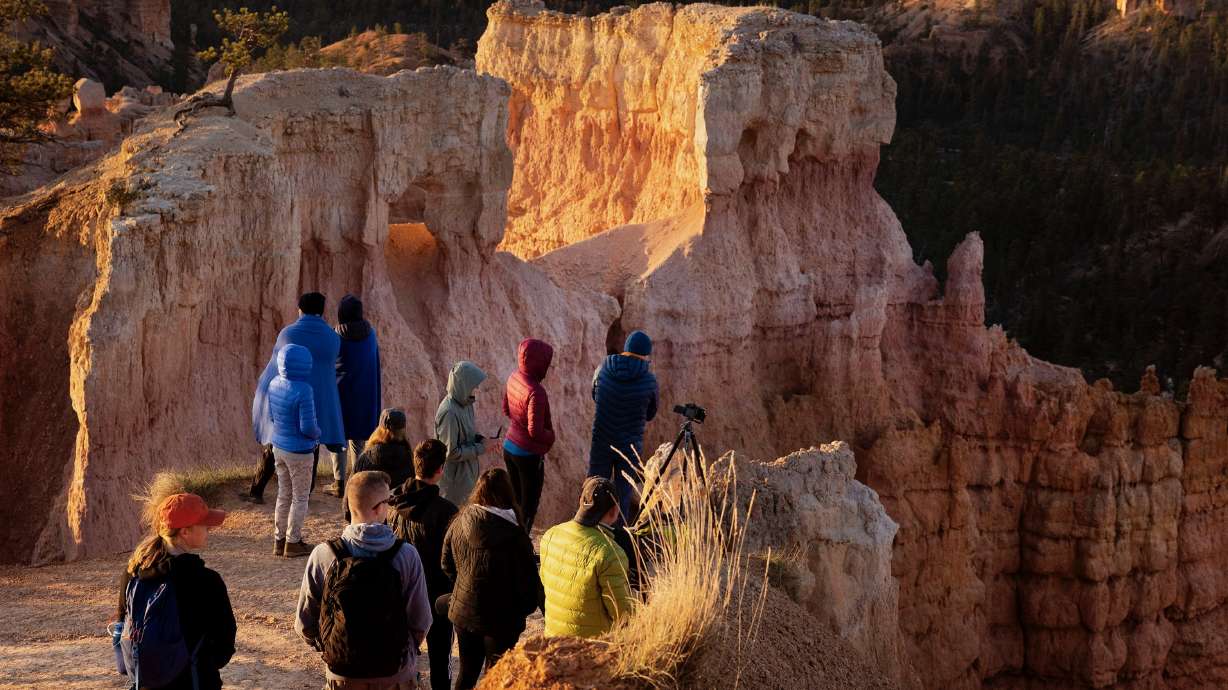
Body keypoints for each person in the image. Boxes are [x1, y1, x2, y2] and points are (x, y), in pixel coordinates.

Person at [295, 471, 433, 690]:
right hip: (395, 674)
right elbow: (421, 621)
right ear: (378, 508)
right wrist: (403, 652)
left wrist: (332, 648)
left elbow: (304, 623)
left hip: (342, 676)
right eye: (388, 501)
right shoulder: (406, 555)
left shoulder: (324, 554)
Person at [116, 493, 236, 690]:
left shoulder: (133, 571)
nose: (209, 528)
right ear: (185, 532)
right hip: (196, 681)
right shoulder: (207, 581)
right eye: (204, 524)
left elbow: (122, 625)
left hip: (145, 682)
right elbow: (224, 646)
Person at [441, 469, 542, 690]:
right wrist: (521, 612)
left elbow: (446, 564)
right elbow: (529, 586)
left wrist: (465, 588)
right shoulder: (516, 536)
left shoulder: (460, 519)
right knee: (496, 678)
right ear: (508, 493)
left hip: (465, 612)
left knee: (467, 673)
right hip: (502, 620)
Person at [246, 292, 345, 503]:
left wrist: (265, 394)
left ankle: (256, 491)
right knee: (312, 447)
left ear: (300, 310)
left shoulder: (288, 333)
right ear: (321, 311)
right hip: (319, 401)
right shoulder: (332, 338)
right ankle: (304, 496)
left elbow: (274, 368)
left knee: (274, 444)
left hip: (288, 398)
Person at [388, 439, 459, 690]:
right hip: (436, 595)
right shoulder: (447, 511)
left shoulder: (392, 504)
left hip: (400, 592)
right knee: (440, 658)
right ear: (440, 469)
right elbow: (453, 559)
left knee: (405, 655)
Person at [538, 477, 636, 638]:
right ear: (614, 511)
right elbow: (623, 615)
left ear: (580, 502)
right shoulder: (610, 553)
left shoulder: (551, 535)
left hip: (553, 641)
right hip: (591, 646)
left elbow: (546, 582)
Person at [589, 330, 659, 521]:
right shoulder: (649, 380)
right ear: (645, 355)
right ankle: (618, 535)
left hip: (602, 439)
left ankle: (588, 526)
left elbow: (595, 395)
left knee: (595, 486)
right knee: (623, 493)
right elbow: (651, 414)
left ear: (626, 349)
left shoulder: (603, 368)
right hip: (629, 445)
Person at [268, 343, 321, 557]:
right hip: (300, 452)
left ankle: (279, 540)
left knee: (284, 494)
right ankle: (293, 542)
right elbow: (308, 427)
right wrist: (318, 433)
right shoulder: (304, 390)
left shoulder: (273, 383)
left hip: (278, 447)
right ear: (305, 364)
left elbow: (271, 417)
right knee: (300, 498)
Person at [328, 294, 382, 498]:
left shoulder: (335, 337)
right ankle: (356, 480)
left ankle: (339, 483)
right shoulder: (371, 334)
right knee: (357, 439)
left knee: (338, 439)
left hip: (341, 396)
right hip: (364, 395)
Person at [501, 338, 556, 533]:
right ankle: (521, 543)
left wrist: (519, 423)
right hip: (527, 455)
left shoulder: (513, 377)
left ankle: (510, 538)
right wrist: (551, 437)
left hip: (509, 447)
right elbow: (535, 431)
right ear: (539, 363)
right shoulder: (536, 391)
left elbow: (506, 409)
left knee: (515, 501)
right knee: (529, 505)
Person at [343, 407, 413, 522]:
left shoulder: (366, 458)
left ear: (379, 429)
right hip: (399, 523)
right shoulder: (409, 458)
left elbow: (351, 492)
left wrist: (350, 517)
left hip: (369, 522)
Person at [435, 360, 488, 505]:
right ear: (464, 385)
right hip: (454, 485)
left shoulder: (466, 404)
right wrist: (482, 448)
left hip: (466, 479)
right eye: (473, 384)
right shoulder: (449, 412)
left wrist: (482, 440)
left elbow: (466, 436)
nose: (476, 387)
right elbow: (451, 452)